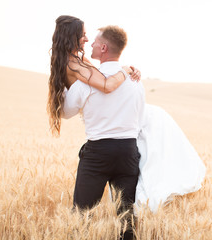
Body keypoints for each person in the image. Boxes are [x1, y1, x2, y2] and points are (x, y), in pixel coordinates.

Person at [48, 15, 142, 240]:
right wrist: (126, 70)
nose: (87, 40)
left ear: (103, 47)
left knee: (81, 216)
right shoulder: (135, 83)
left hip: (98, 153)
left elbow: (67, 111)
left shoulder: (76, 69)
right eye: (82, 35)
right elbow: (111, 86)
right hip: (128, 150)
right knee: (126, 218)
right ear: (72, 37)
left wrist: (67, 91)